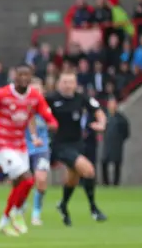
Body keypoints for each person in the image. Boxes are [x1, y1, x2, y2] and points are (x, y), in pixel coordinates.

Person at [0, 65, 58, 237]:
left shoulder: (34, 97)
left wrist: (52, 125)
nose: (24, 78)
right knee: (28, 180)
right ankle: (17, 212)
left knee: (18, 184)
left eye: (27, 75)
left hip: (21, 146)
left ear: (31, 76)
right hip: (2, 145)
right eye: (20, 75)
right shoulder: (1, 94)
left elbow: (49, 117)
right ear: (14, 76)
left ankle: (4, 222)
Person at [47, 70, 107, 226]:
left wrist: (101, 123)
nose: (67, 85)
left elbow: (98, 111)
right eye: (64, 82)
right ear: (59, 83)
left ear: (75, 84)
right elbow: (35, 110)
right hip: (60, 145)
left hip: (77, 144)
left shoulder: (82, 98)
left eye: (70, 82)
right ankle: (94, 209)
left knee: (73, 179)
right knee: (88, 170)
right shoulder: (51, 98)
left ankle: (63, 205)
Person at [24, 78, 51, 226]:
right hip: (23, 148)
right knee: (22, 183)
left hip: (42, 148)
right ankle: (20, 207)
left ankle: (36, 213)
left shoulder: (48, 108)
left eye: (38, 91)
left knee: (41, 180)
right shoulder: (21, 108)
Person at [101, 97, 130, 186]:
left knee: (117, 163)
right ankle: (106, 183)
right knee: (104, 162)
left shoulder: (121, 118)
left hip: (117, 144)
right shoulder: (105, 116)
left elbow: (126, 132)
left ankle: (116, 183)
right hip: (107, 143)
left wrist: (120, 139)